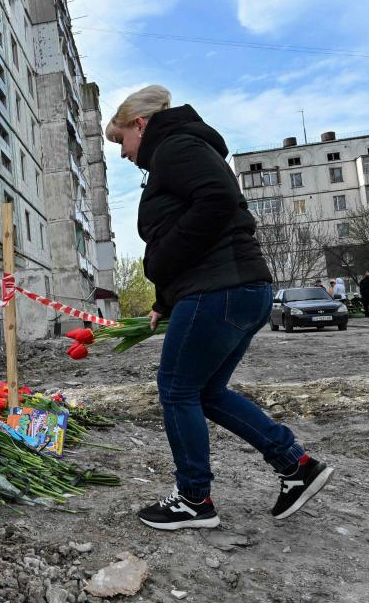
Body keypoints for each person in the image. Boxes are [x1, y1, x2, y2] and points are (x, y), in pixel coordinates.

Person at [105, 85, 334, 531]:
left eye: (122, 142)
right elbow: (198, 223)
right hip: (236, 288)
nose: (123, 154)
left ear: (140, 124)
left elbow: (215, 204)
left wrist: (164, 261)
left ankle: (193, 498)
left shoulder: (175, 146)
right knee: (206, 392)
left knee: (176, 390)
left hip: (220, 290)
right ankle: (296, 465)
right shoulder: (182, 148)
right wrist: (164, 299)